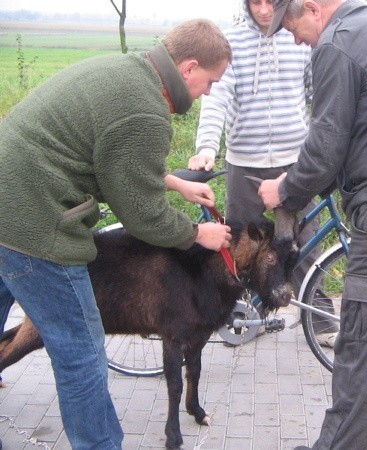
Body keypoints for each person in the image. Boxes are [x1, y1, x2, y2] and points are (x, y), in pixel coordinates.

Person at [0, 19, 232, 450]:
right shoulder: (147, 113)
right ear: (189, 67)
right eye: (210, 81)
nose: (209, 92)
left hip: (7, 200)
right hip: (34, 224)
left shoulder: (128, 72)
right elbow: (143, 218)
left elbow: (110, 157)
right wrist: (198, 233)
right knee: (82, 354)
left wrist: (176, 183)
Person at [258, 0, 367, 449]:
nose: (295, 39)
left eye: (292, 26)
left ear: (314, 9)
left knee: (361, 346)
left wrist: (286, 192)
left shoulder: (338, 45)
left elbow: (326, 147)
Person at [188, 1, 336, 336]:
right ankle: (244, 318)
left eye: (272, 1)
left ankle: (322, 319)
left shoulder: (298, 36)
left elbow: (318, 93)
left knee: (300, 243)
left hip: (293, 164)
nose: (265, 10)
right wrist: (207, 148)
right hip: (245, 165)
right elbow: (216, 97)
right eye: (256, 1)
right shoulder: (232, 40)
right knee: (242, 249)